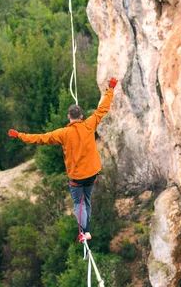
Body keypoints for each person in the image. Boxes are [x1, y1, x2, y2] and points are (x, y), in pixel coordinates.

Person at [8, 77, 118, 241]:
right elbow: (102, 109)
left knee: (78, 203)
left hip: (76, 176)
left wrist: (19, 136)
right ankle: (86, 231)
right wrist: (110, 89)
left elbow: (40, 138)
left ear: (69, 117)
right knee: (86, 200)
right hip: (92, 173)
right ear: (81, 116)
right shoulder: (89, 125)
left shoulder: (63, 134)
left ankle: (84, 231)